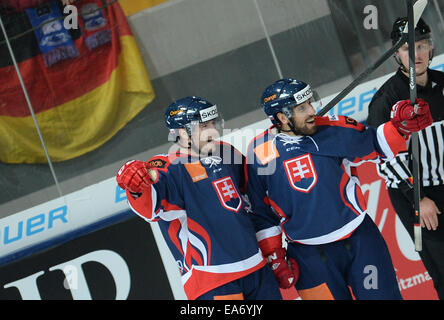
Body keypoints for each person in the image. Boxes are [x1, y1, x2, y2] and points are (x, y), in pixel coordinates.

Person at [245, 78, 433, 300]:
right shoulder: (259, 153)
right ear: (282, 118)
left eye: (310, 104)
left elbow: (375, 143)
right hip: (309, 257)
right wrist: (273, 254)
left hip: (360, 242)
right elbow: (260, 211)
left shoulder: (333, 129)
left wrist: (401, 126)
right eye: (302, 108)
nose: (312, 111)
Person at [116, 96, 283, 300]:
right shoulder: (169, 168)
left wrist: (273, 252)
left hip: (256, 268)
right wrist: (135, 185)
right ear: (181, 132)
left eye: (212, 123)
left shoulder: (227, 153)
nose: (212, 131)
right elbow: (149, 207)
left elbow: (255, 197)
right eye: (203, 126)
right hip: (211, 278)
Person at [367, 17, 444, 299]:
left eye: (421, 45)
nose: (417, 54)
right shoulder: (385, 100)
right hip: (416, 194)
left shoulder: (443, 84)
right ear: (396, 54)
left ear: (431, 47)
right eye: (407, 48)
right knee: (442, 268)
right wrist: (417, 197)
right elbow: (386, 160)